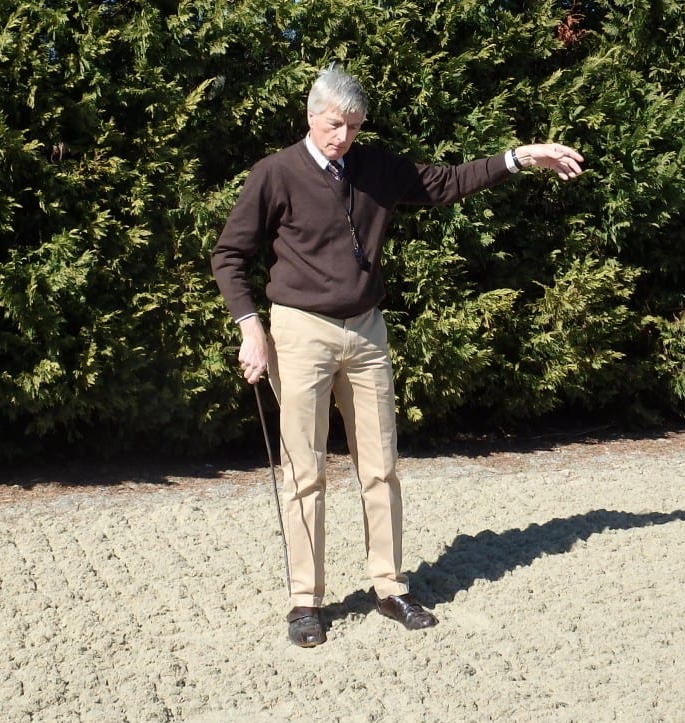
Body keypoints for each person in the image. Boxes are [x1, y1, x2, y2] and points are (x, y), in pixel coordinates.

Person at [211, 64, 583, 648]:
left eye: (354, 127)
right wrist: (250, 327)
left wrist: (517, 158)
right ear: (312, 116)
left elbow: (445, 183)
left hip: (366, 333)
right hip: (299, 332)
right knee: (305, 470)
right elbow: (229, 255)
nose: (344, 138)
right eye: (335, 125)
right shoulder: (274, 174)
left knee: (380, 465)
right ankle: (305, 601)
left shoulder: (378, 167)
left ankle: (390, 587)